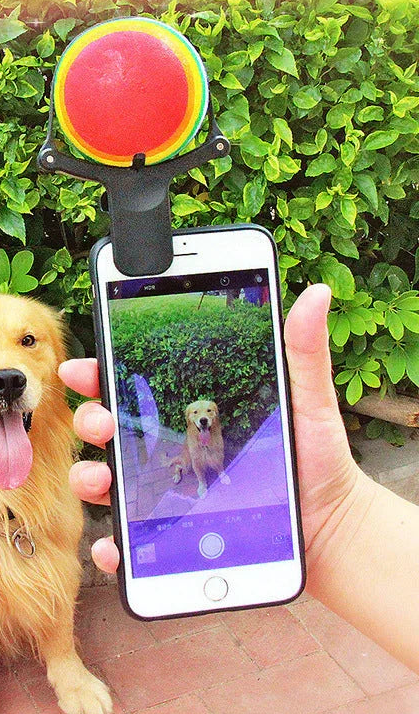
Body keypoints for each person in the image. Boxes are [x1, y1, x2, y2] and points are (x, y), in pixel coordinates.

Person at [60, 283, 419, 674]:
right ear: (189, 418)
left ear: (214, 415)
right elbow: (197, 455)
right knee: (189, 464)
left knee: (213, 464)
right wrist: (337, 524)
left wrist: (337, 517)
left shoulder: (215, 433)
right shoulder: (192, 436)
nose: (203, 418)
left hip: (319, 522)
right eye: (197, 414)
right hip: (196, 463)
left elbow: (218, 454)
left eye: (208, 413)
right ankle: (182, 470)